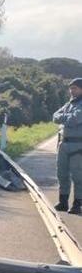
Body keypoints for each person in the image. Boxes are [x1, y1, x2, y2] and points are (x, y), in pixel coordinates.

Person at [53, 78, 82, 214]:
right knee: (61, 173)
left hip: (78, 145)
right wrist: (67, 116)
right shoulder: (69, 103)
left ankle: (77, 204)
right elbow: (55, 116)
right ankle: (63, 202)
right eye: (70, 88)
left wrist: (64, 117)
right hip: (63, 144)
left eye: (75, 88)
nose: (71, 91)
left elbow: (75, 119)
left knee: (78, 176)